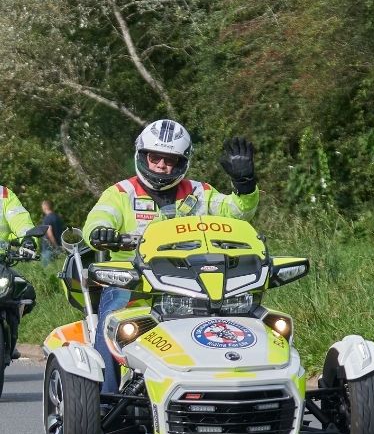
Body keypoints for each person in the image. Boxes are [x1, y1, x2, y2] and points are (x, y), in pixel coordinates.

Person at [84, 119, 259, 394]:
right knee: (112, 321)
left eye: (170, 160)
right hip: (134, 282)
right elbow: (97, 220)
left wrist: (245, 183)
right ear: (143, 156)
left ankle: (243, 384)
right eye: (155, 158)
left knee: (242, 314)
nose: (162, 166)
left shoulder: (200, 192)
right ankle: (104, 400)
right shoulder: (120, 193)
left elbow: (238, 212)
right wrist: (100, 232)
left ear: (183, 161)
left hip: (194, 280)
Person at [0, 187, 40, 358]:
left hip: (0, 262)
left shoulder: (3, 194)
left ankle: (10, 337)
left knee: (24, 292)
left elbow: (20, 219)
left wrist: (28, 239)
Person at [39, 200, 66, 266]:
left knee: (46, 271)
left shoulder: (47, 219)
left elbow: (49, 233)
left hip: (49, 248)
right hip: (59, 246)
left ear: (45, 207)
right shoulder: (58, 217)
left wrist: (55, 245)